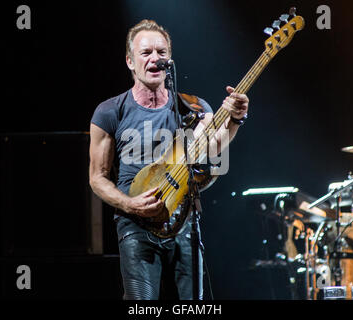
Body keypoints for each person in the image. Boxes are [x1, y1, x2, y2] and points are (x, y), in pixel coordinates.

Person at [89, 19, 249, 300]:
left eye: (161, 53)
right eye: (146, 52)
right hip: (135, 224)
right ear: (130, 61)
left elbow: (212, 149)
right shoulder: (109, 111)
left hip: (185, 220)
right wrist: (129, 204)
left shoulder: (194, 106)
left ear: (169, 60)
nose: (155, 58)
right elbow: (97, 177)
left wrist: (234, 119)